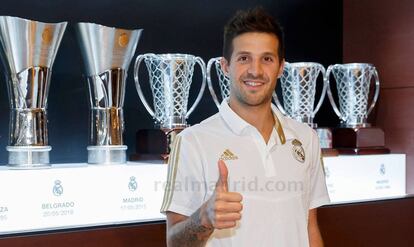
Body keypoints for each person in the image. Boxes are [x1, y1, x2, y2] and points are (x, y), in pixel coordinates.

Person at [160, 6, 330, 247]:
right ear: (225, 66)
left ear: (281, 67)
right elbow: (174, 243)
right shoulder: (192, 141)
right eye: (244, 58)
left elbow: (310, 228)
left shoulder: (306, 138)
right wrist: (204, 219)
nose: (255, 70)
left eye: (267, 59)